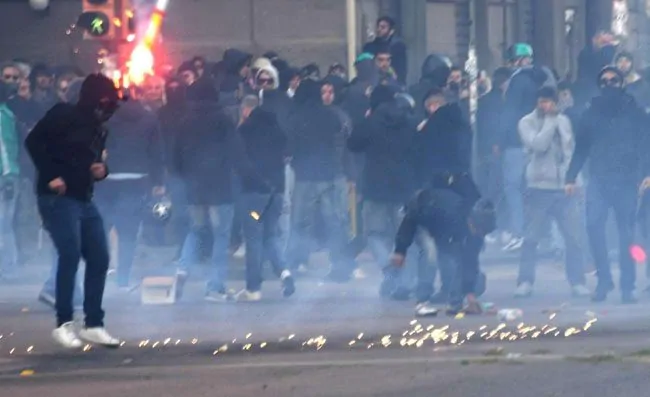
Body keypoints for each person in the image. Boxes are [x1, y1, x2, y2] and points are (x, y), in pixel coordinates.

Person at [25, 73, 122, 348]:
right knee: (69, 254)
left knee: (100, 256)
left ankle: (93, 323)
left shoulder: (99, 128)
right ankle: (64, 323)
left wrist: (101, 170)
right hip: (57, 197)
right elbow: (34, 142)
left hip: (84, 198)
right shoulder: (63, 114)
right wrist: (51, 174)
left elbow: (95, 161)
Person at [565, 66, 650, 304]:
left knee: (626, 234)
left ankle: (627, 285)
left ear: (621, 83)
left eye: (614, 80)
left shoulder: (635, 112)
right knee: (593, 226)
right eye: (604, 80)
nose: (609, 84)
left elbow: (646, 143)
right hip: (599, 180)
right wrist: (571, 177)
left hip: (627, 180)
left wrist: (647, 172)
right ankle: (604, 280)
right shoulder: (591, 113)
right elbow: (581, 147)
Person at [515, 87, 588, 298]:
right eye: (542, 101)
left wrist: (576, 179)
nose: (545, 105)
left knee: (573, 237)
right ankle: (525, 281)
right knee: (531, 237)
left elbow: (570, 151)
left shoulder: (564, 121)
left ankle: (577, 281)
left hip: (565, 188)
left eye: (549, 102)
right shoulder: (526, 122)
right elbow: (539, 145)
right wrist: (550, 121)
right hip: (538, 187)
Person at [390, 187, 495, 316]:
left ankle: (455, 304)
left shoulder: (475, 233)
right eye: (478, 230)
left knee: (459, 263)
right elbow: (411, 219)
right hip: (417, 214)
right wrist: (400, 250)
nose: (479, 235)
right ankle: (422, 302)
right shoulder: (445, 211)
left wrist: (470, 294)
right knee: (429, 254)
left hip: (442, 232)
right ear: (471, 221)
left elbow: (470, 261)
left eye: (483, 233)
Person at [232, 95, 295, 300]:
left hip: (254, 196)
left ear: (245, 110)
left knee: (254, 238)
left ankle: (253, 288)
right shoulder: (277, 129)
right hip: (276, 193)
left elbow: (239, 162)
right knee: (271, 235)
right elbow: (288, 152)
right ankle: (285, 273)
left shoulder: (244, 130)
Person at [363, 16, 408, 84]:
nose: (379, 29)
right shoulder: (370, 47)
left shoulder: (398, 46)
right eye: (378, 27)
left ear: (391, 31)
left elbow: (401, 69)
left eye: (383, 27)